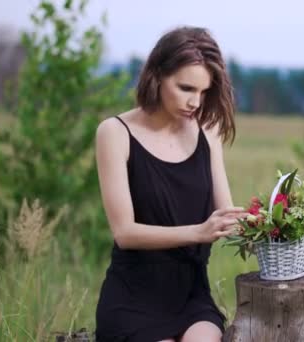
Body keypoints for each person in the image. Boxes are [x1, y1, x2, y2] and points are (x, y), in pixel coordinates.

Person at [94, 26, 247, 342]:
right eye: (186, 88)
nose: (195, 102)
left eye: (204, 92)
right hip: (132, 298)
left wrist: (281, 234)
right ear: (156, 75)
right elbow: (124, 233)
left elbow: (226, 218)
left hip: (191, 296)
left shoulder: (209, 129)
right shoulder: (115, 133)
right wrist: (198, 232)